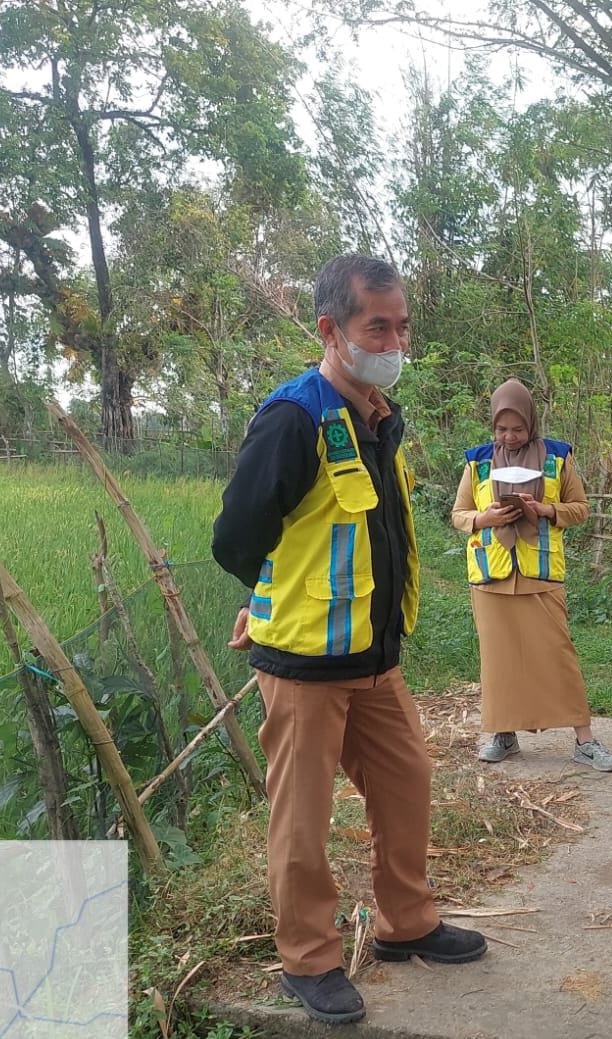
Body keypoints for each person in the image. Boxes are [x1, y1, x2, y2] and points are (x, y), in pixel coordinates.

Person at [212, 255, 485, 1026]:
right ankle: (309, 957)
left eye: (402, 327)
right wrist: (266, 600)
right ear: (331, 330)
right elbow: (237, 539)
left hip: (373, 656)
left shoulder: (376, 415)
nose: (395, 341)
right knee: (302, 818)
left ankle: (408, 923)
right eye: (379, 326)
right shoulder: (293, 418)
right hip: (303, 663)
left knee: (408, 782)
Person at [450, 378, 612, 772]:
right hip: (491, 575)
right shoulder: (477, 461)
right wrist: (485, 518)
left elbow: (580, 508)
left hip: (540, 573)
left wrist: (545, 510)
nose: (510, 437)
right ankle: (504, 736)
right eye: (501, 429)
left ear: (531, 423)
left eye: (518, 428)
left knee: (558, 657)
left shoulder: (557, 458)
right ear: (492, 427)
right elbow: (459, 514)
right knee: (499, 661)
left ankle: (585, 740)